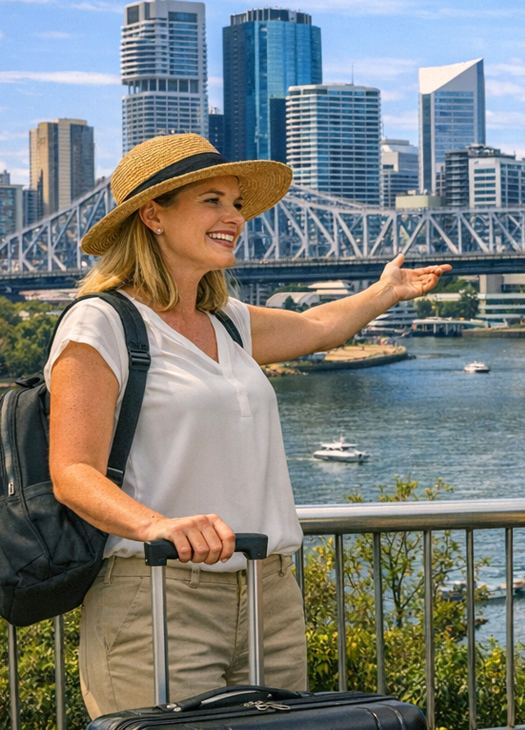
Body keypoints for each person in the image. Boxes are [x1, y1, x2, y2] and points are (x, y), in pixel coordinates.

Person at [47, 133, 450, 717]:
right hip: (160, 592)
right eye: (212, 201)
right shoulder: (102, 323)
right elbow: (72, 472)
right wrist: (157, 525)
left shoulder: (227, 321)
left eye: (236, 204)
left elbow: (317, 327)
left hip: (270, 595)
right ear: (153, 215)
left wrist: (386, 292)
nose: (234, 217)